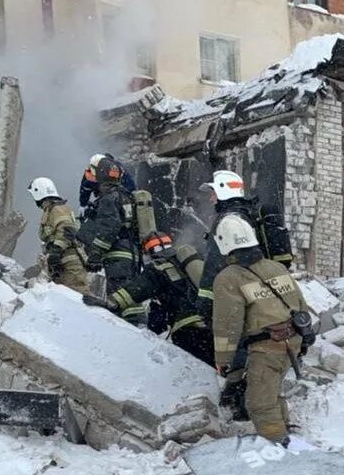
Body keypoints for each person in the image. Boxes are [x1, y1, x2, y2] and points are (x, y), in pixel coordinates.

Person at [211, 214, 313, 445]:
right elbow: (299, 303)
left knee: (259, 403)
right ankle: (286, 433)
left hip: (267, 347)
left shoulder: (228, 278)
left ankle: (280, 445)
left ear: (224, 244)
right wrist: (305, 339)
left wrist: (224, 359)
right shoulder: (275, 267)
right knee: (271, 392)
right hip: (293, 340)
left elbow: (228, 323)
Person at [84, 231, 213, 366]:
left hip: (188, 329)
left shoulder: (157, 269)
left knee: (198, 371)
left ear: (148, 252)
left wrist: (111, 303)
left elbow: (137, 290)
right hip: (212, 323)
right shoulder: (192, 264)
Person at [196, 170, 295, 317]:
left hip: (240, 296)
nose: (211, 198)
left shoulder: (229, 221)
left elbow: (215, 263)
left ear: (224, 190)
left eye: (213, 193)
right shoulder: (250, 214)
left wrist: (205, 301)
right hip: (263, 290)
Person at [76, 156, 142, 324]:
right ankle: (139, 329)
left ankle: (131, 331)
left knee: (119, 297)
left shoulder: (108, 198)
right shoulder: (125, 196)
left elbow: (109, 227)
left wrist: (96, 253)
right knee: (129, 296)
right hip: (131, 253)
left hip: (118, 256)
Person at [27, 177, 89, 294]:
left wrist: (56, 250)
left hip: (70, 264)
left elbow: (67, 229)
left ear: (38, 192)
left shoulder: (58, 209)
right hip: (62, 263)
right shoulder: (50, 210)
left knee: (77, 298)